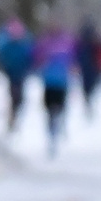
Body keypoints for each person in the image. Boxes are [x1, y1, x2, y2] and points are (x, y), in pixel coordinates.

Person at [36, 26, 75, 155]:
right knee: (55, 110)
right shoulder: (64, 44)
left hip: (54, 83)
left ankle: (54, 130)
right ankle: (56, 129)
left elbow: (37, 59)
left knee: (53, 111)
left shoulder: (49, 43)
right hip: (56, 83)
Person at [0, 19, 33, 133]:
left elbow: (30, 57)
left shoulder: (25, 44)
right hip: (11, 73)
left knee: (19, 97)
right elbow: (2, 57)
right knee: (14, 95)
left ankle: (14, 115)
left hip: (21, 74)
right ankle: (12, 116)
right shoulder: (8, 45)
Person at [76, 23, 101, 118]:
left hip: (90, 70)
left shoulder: (84, 44)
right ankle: (89, 107)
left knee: (88, 90)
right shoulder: (95, 43)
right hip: (92, 70)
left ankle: (89, 107)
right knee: (90, 90)